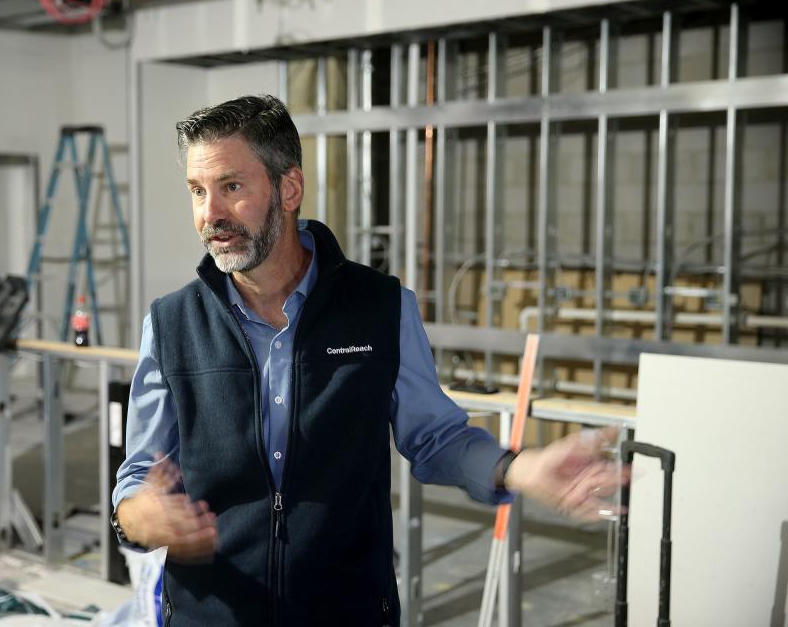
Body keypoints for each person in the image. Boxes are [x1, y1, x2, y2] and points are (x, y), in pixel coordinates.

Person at [112, 94, 624, 626]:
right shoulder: (171, 325)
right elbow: (139, 475)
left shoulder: (379, 307)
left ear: (289, 189)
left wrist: (518, 469)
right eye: (198, 191)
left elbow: (435, 437)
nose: (210, 214)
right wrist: (138, 516)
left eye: (231, 187)